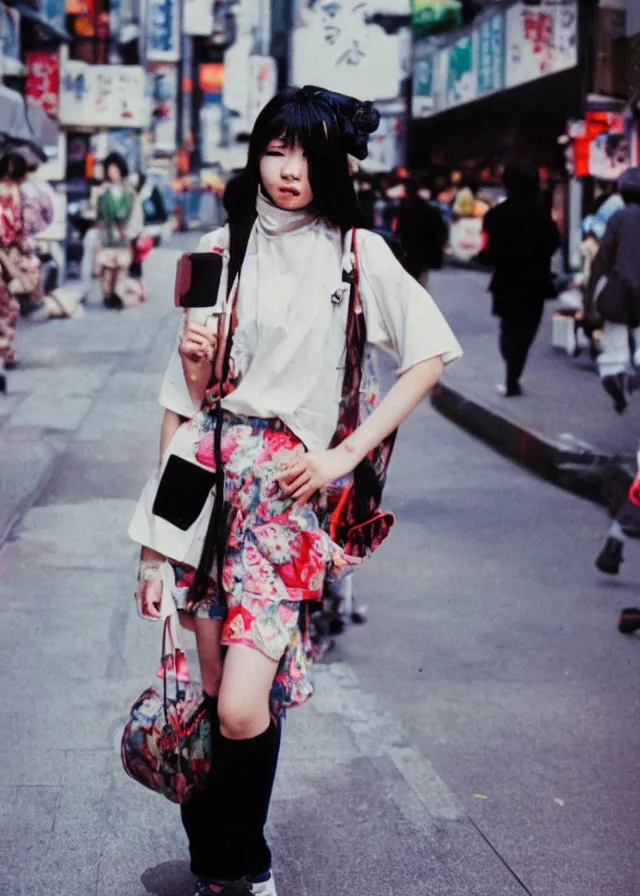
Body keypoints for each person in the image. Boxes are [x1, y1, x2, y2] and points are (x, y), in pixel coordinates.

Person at [128, 85, 462, 896]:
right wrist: (152, 552)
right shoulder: (219, 246)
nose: (289, 170)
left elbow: (430, 353)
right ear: (258, 152)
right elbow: (185, 405)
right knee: (214, 696)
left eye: (308, 155)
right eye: (276, 149)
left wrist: (343, 453)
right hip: (207, 487)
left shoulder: (356, 253)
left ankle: (249, 858)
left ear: (336, 164)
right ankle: (221, 860)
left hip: (283, 500)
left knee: (244, 705)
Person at [475, 163, 560, 397]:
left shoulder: (497, 215)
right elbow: (553, 243)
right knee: (527, 330)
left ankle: (511, 372)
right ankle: (514, 374)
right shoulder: (541, 214)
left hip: (506, 280)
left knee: (509, 328)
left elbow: (489, 252)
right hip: (536, 281)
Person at [584, 166, 640, 415]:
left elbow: (602, 261)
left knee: (614, 350)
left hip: (618, 295)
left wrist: (589, 301)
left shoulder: (618, 218)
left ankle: (615, 373)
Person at [0, 152, 30, 386]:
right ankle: (4, 352)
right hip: (7, 256)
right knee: (8, 307)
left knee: (7, 306)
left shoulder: (11, 193)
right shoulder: (14, 194)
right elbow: (18, 230)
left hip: (6, 256)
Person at [96, 152, 136, 308]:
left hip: (122, 236)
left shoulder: (128, 192)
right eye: (110, 170)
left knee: (120, 269)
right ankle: (107, 294)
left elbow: (133, 213)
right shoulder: (103, 192)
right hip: (107, 236)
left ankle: (118, 295)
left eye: (115, 169)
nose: (112, 173)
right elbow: (99, 217)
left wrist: (132, 232)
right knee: (106, 269)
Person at [395, 175, 447, 286]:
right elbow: (438, 229)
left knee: (409, 278)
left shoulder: (405, 206)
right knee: (421, 279)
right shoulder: (428, 207)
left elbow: (399, 228)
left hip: (408, 248)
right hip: (425, 248)